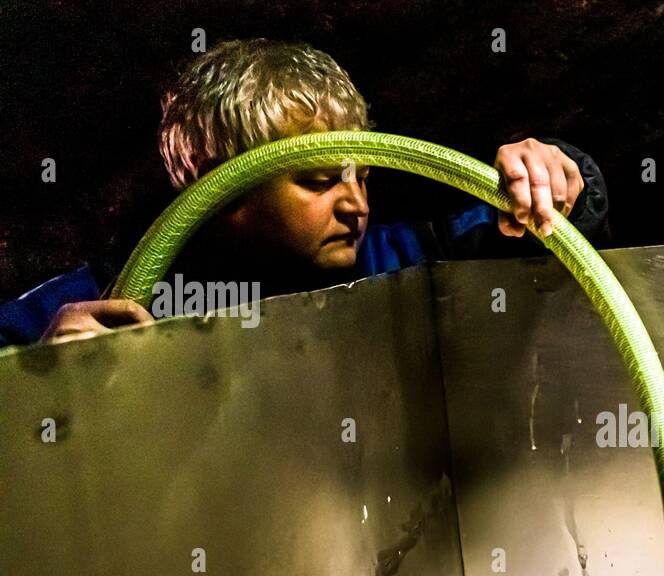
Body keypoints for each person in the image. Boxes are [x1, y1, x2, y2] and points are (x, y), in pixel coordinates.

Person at [0, 38, 611, 347]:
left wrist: (560, 177)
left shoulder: (394, 262)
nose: (355, 203)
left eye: (362, 173)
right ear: (217, 185)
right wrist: (43, 381)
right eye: (318, 179)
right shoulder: (97, 303)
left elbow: (538, 234)